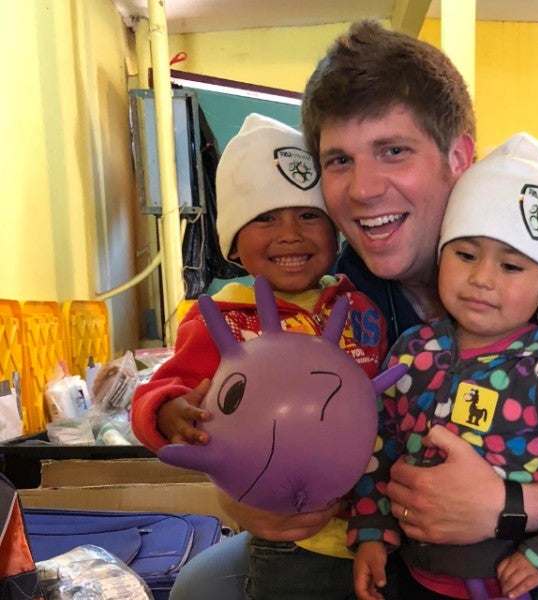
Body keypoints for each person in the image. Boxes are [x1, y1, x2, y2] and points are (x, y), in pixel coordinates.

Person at [173, 20, 538, 600]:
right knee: (204, 586)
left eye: (393, 151)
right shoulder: (344, 289)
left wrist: (511, 507)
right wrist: (246, 500)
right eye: (339, 161)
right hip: (398, 536)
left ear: (459, 156)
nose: (363, 189)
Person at [350, 133, 538, 600]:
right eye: (465, 255)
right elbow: (379, 445)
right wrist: (371, 532)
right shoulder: (410, 352)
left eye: (511, 267)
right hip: (407, 577)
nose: (482, 278)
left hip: (500, 586)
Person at [130, 113, 391, 599]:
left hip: (378, 527)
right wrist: (170, 412)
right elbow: (161, 389)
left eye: (309, 214)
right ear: (232, 240)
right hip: (292, 540)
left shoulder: (361, 304)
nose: (290, 233)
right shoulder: (224, 316)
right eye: (265, 217)